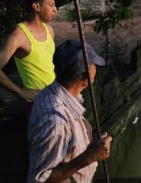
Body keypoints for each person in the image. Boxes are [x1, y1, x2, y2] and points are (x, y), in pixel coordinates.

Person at [28, 39, 112, 183]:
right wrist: (87, 157)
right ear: (85, 77)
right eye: (93, 65)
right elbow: (40, 180)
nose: (96, 68)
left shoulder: (53, 93)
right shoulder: (56, 122)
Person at [0, 0, 57, 104]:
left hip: (56, 95)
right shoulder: (18, 35)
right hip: (37, 102)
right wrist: (20, 92)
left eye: (54, 5)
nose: (55, 9)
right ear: (36, 7)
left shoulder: (49, 31)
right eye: (51, 5)